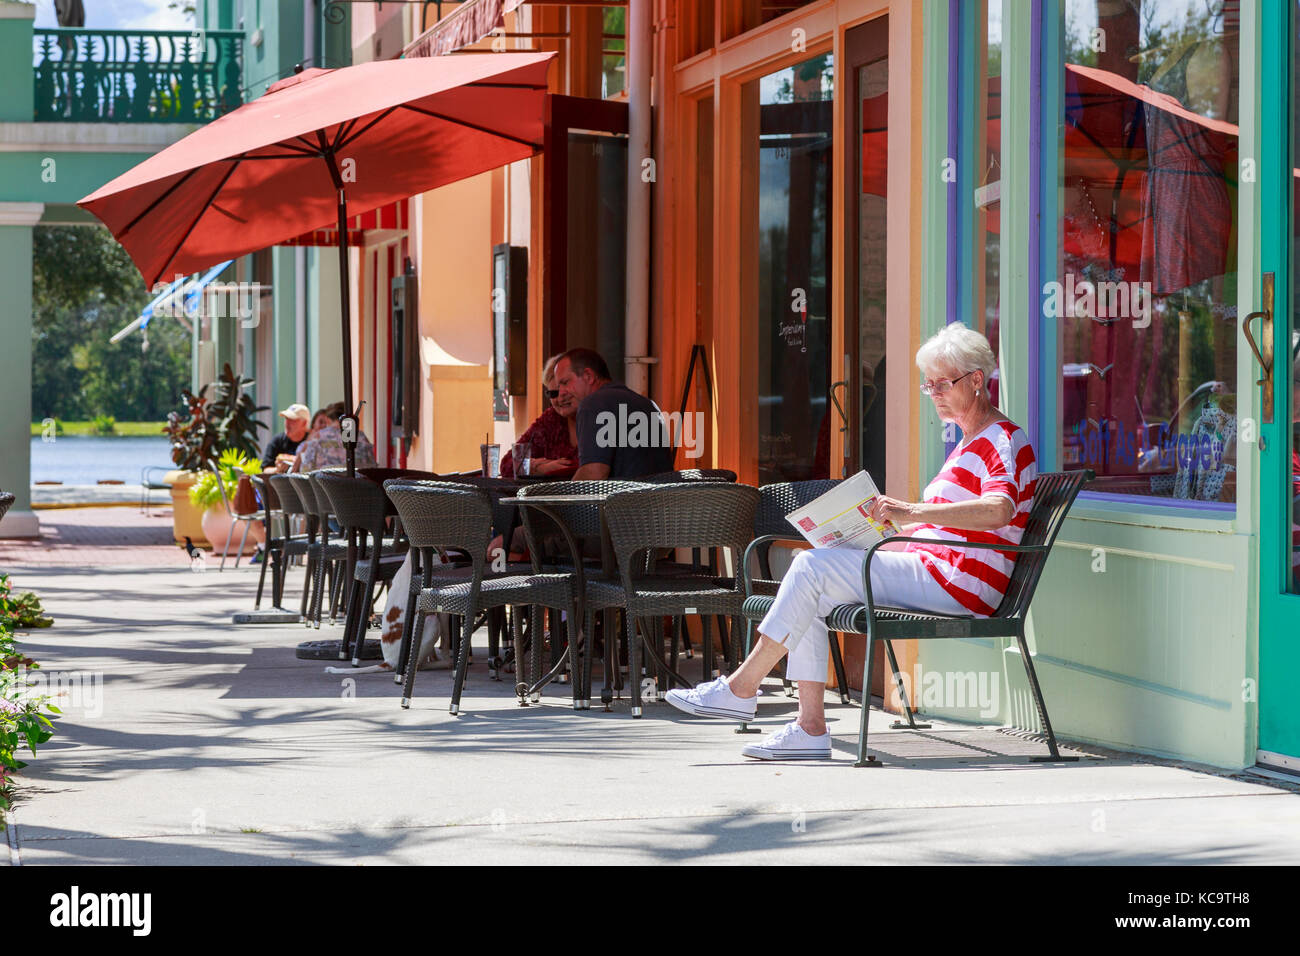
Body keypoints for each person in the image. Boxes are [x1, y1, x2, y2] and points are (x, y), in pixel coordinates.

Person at [665, 324, 1037, 761]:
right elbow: (952, 528)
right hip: (939, 570)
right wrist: (876, 535)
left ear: (977, 380)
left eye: (942, 383)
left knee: (810, 569)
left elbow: (999, 510)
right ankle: (809, 726)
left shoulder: (1002, 440)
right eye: (928, 384)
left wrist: (910, 512)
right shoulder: (969, 443)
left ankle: (742, 688)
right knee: (816, 578)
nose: (933, 393)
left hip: (961, 583)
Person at [554, 348, 675, 480]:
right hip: (662, 498)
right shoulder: (649, 404)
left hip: (625, 500)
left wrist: (561, 498)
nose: (560, 393)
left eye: (565, 383)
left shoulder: (593, 403)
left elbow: (593, 476)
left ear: (588, 376)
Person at [500, 354, 580, 479]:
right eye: (553, 393)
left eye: (566, 389)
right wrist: (539, 467)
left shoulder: (602, 417)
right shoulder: (551, 419)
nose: (560, 398)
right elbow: (508, 463)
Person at [293, 401, 378, 472]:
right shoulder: (360, 436)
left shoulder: (318, 437)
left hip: (325, 489)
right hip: (359, 489)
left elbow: (305, 471)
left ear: (328, 420)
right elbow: (372, 468)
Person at [260, 403, 311, 472]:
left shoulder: (313, 442)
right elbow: (265, 469)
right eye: (286, 418)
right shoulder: (278, 441)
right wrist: (278, 469)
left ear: (304, 423)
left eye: (292, 419)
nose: (287, 423)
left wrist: (295, 460)